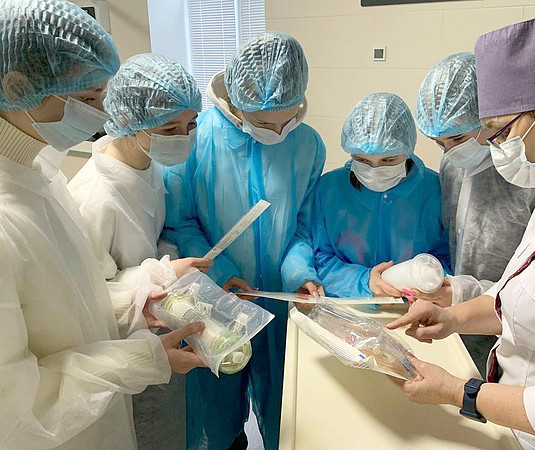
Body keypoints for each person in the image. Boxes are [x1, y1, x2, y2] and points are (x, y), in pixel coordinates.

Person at [388, 12, 535, 449]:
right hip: (515, 425)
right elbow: (514, 297)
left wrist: (458, 392)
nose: (493, 147)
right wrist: (451, 317)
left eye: (498, 131)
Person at [0, 1, 206, 448]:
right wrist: (144, 360)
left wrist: (136, 298)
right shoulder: (10, 215)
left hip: (97, 422)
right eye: (88, 99)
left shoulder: (40, 176)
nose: (101, 115)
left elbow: (73, 299)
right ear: (17, 86)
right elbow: (12, 407)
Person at [162, 31, 326, 449]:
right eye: (264, 123)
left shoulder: (308, 144)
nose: (278, 132)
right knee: (215, 414)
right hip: (212, 300)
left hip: (277, 302)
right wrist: (219, 272)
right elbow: (179, 223)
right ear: (234, 104)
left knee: (283, 411)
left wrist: (299, 273)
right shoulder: (196, 138)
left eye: (288, 119)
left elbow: (303, 226)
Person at [68, 53, 212, 450]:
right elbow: (89, 300)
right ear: (128, 121)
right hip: (122, 351)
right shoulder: (94, 197)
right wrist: (162, 274)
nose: (184, 137)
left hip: (155, 330)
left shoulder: (147, 165)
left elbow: (151, 237)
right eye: (170, 128)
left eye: (191, 124)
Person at [413, 52, 535, 375]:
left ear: (491, 117)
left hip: (518, 337)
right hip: (458, 324)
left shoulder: (531, 174)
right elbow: (455, 242)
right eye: (440, 143)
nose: (451, 151)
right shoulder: (452, 166)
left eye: (458, 138)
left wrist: (465, 293)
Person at [311, 92, 450, 300]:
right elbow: (320, 258)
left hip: (418, 304)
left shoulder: (434, 190)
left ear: (408, 150)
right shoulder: (329, 189)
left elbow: (446, 258)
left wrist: (425, 282)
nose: (374, 171)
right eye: (362, 160)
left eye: (388, 160)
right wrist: (364, 281)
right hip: (347, 303)